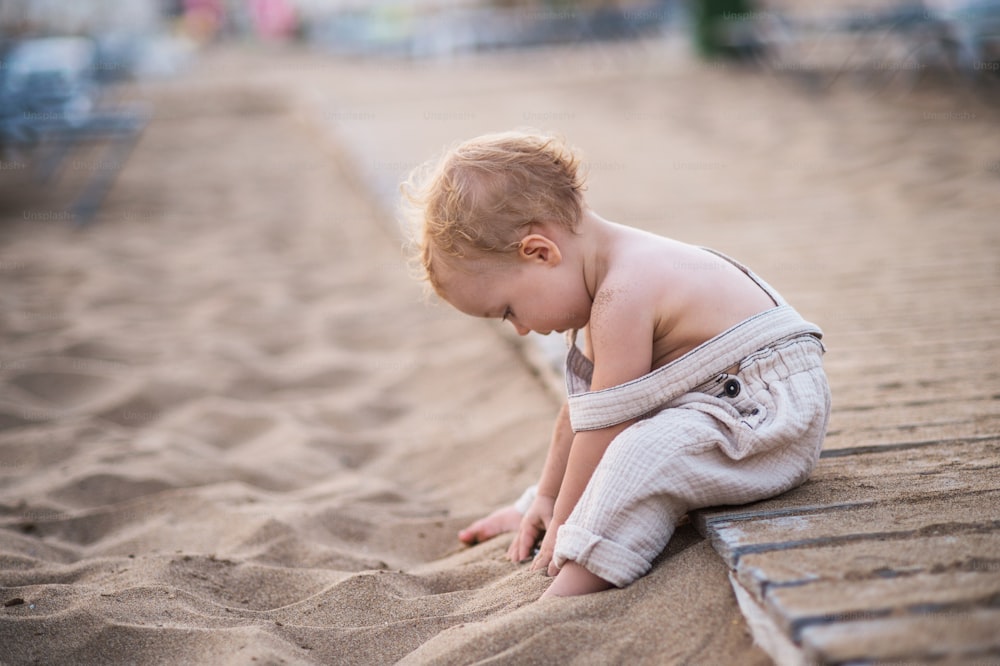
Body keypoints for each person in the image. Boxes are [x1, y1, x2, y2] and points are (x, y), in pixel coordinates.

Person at [401, 130, 831, 597]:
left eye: (508, 310)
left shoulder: (623, 292)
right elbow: (580, 415)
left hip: (771, 417)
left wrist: (565, 524)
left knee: (640, 451)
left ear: (540, 252)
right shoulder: (604, 281)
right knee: (621, 430)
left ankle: (579, 573)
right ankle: (537, 511)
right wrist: (544, 497)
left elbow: (605, 434)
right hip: (728, 404)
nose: (520, 329)